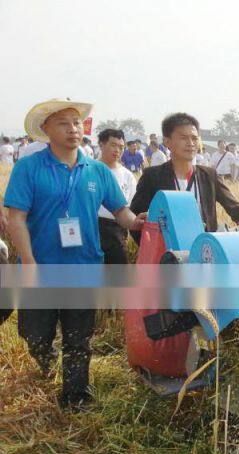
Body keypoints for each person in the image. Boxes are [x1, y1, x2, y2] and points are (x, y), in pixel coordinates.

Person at [4, 98, 147, 411]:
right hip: (40, 268)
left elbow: (120, 210)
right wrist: (27, 260)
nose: (73, 129)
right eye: (63, 123)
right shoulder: (29, 168)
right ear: (46, 130)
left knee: (79, 337)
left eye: (76, 123)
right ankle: (47, 359)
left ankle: (76, 397)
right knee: (36, 335)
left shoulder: (96, 171)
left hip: (84, 267)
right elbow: (16, 218)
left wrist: (136, 221)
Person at [130, 112, 239, 239]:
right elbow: (135, 220)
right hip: (168, 255)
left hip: (205, 253)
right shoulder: (152, 176)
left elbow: (235, 209)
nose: (191, 143)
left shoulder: (208, 175)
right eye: (183, 138)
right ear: (167, 141)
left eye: (194, 138)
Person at [97, 128, 137, 264]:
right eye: (113, 145)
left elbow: (129, 207)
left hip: (116, 229)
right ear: (101, 144)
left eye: (121, 147)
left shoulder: (127, 176)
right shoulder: (87, 169)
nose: (117, 150)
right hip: (92, 226)